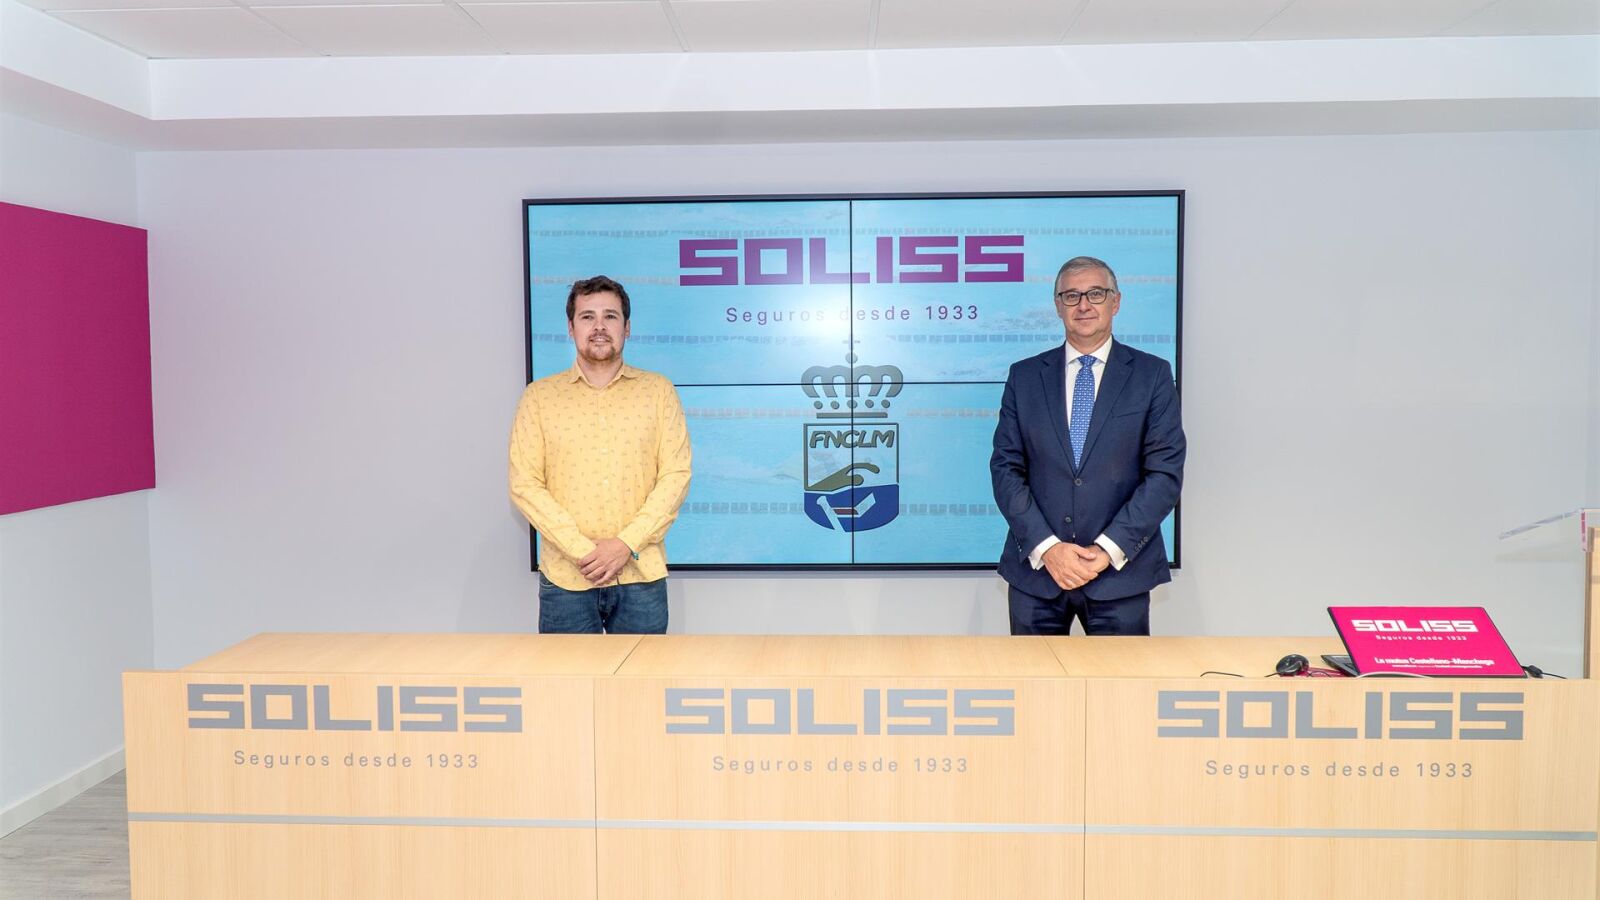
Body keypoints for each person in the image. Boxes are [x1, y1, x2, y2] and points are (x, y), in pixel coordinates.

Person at [990, 256, 1185, 635]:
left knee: (1120, 677)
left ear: (1116, 301)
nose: (1084, 305)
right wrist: (1049, 548)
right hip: (1039, 575)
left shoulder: (1152, 375)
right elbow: (1006, 469)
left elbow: (1164, 474)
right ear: (1057, 305)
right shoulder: (1024, 376)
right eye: (1071, 295)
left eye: (1096, 294)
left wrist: (1107, 550)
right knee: (1032, 676)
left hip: (1120, 574)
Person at [509, 275, 692, 633]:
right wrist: (583, 551)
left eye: (610, 316)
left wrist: (625, 544)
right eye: (587, 316)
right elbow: (525, 484)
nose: (599, 327)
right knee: (567, 673)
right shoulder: (539, 397)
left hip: (640, 575)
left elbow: (676, 476)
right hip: (566, 578)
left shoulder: (658, 392)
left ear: (627, 327)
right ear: (571, 327)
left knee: (644, 672)